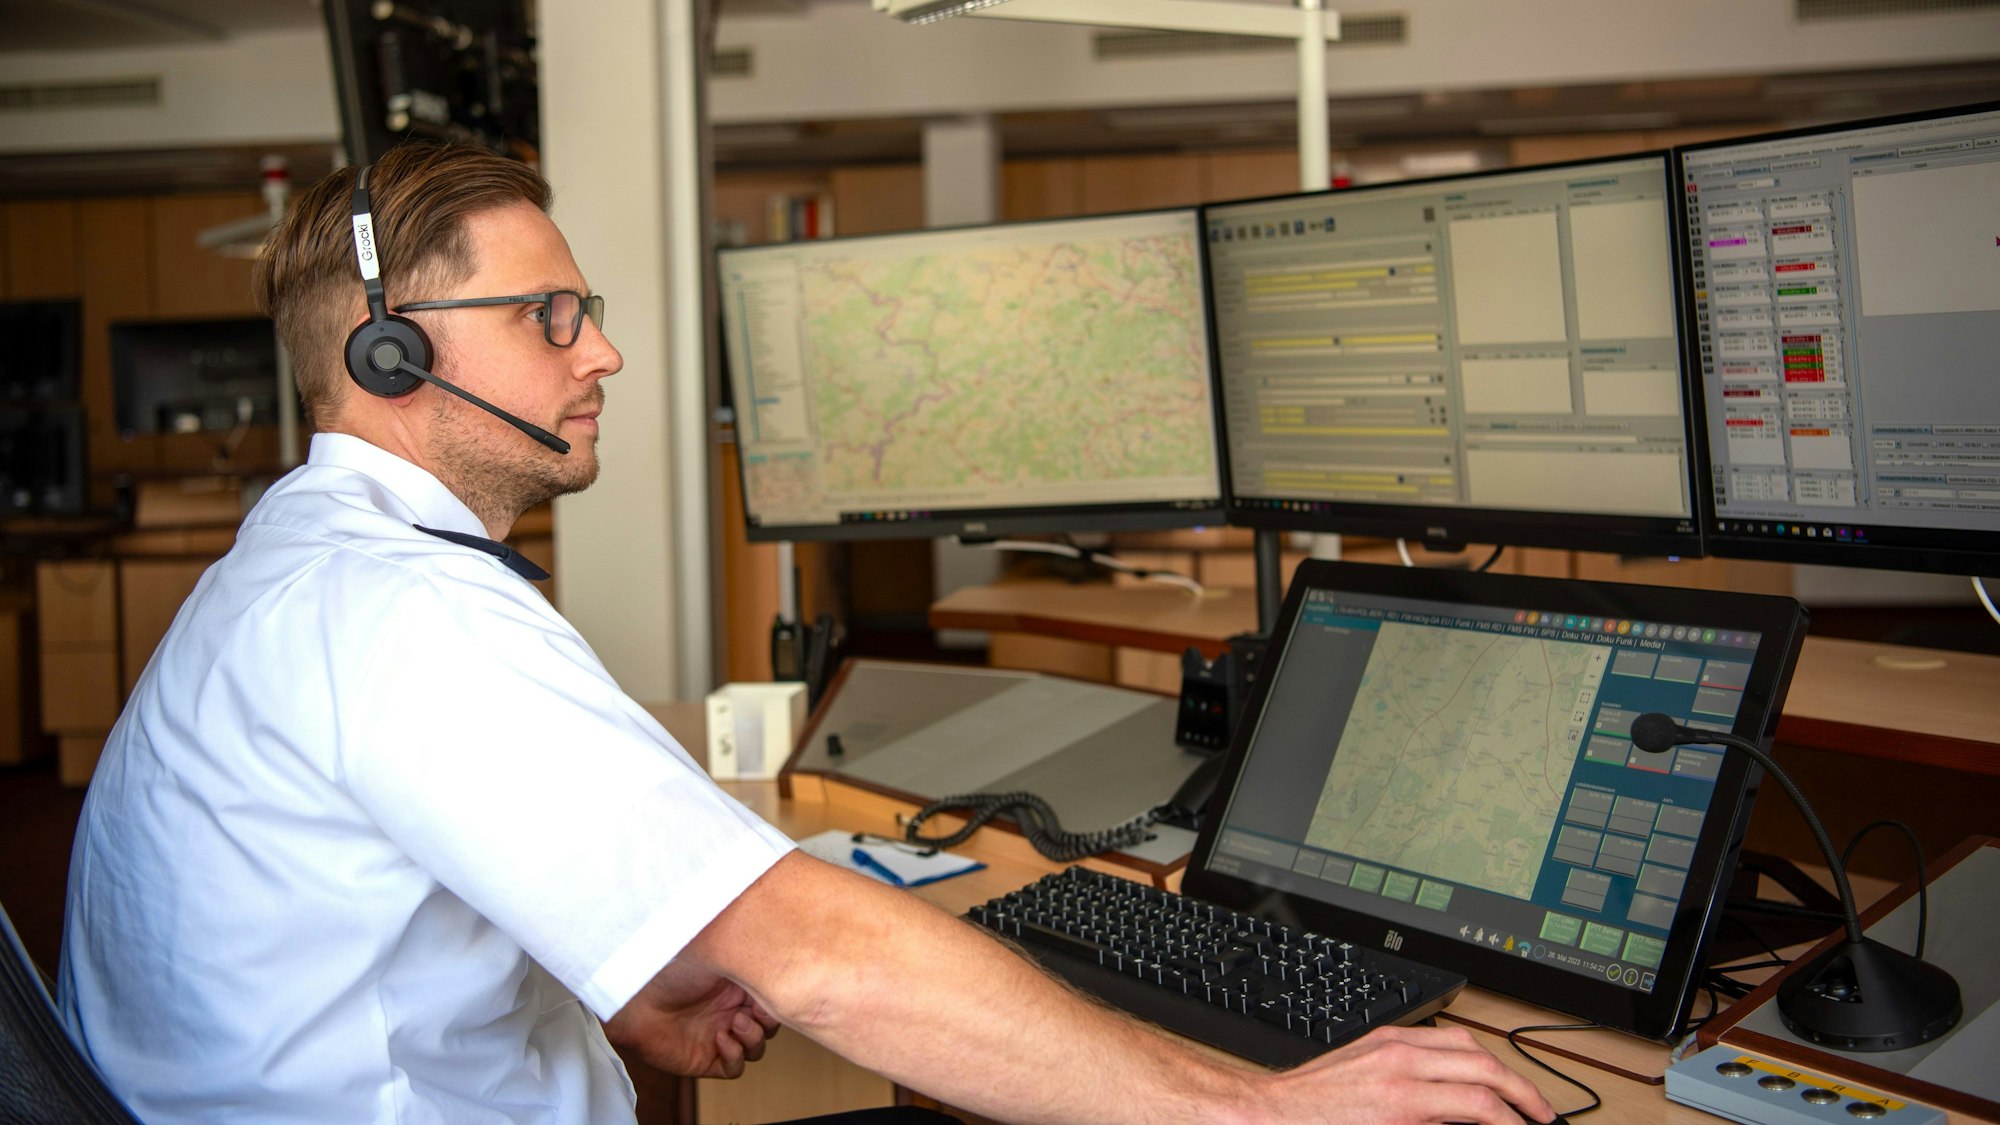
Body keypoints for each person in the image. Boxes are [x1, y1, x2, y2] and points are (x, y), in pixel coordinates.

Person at [58, 143, 1558, 1125]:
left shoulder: (307, 563)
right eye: (554, 315)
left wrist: (627, 975)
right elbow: (826, 957)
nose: (608, 353)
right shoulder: (400, 609)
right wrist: (1266, 1105)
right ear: (390, 352)